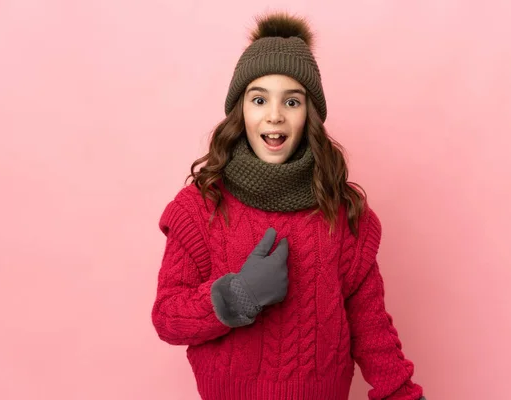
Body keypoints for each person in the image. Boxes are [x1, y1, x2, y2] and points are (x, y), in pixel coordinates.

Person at [151, 11, 426, 400]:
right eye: (259, 99)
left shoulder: (344, 213)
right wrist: (239, 293)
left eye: (292, 101)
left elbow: (371, 326)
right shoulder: (200, 207)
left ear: (309, 114)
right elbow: (168, 318)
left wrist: (402, 393)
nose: (274, 115)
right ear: (240, 111)